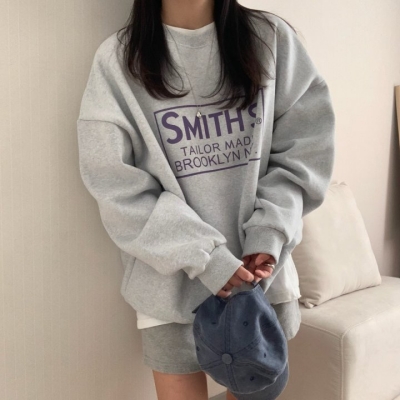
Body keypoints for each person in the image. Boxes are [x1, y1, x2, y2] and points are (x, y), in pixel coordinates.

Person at [76, 0, 335, 399]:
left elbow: (304, 151)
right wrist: (206, 257)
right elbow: (115, 185)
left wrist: (268, 232)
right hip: (170, 287)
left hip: (260, 281)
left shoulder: (271, 40)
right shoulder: (118, 60)